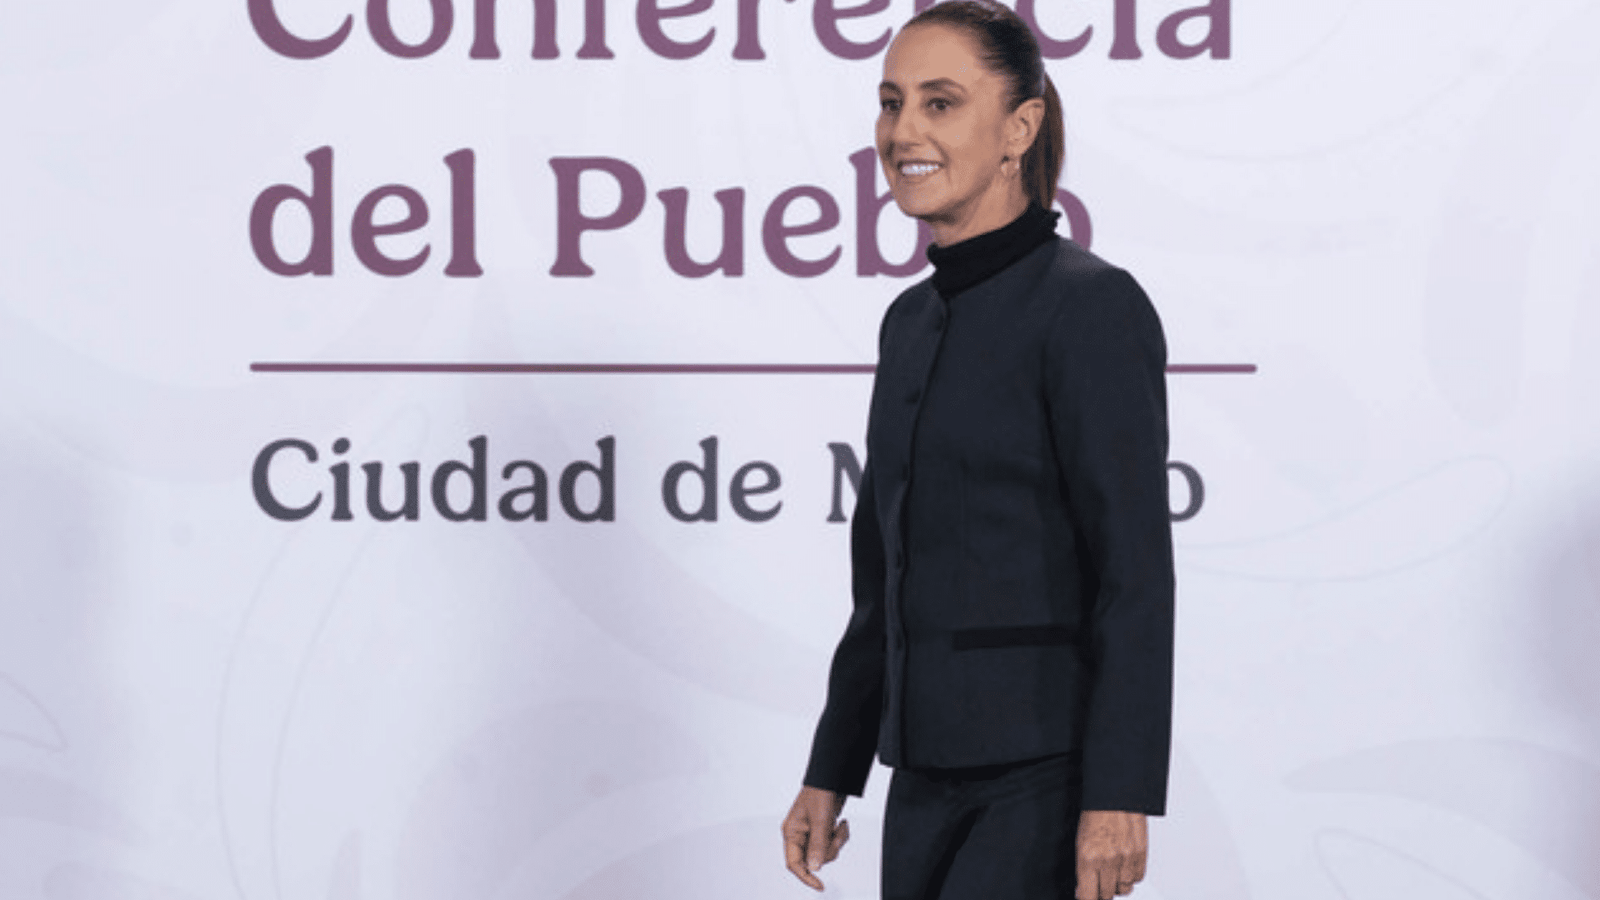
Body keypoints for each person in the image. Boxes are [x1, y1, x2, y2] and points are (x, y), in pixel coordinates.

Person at [779, 2, 1176, 898]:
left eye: (940, 102)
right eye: (891, 103)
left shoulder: (1090, 307)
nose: (903, 132)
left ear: (1019, 128)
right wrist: (832, 767)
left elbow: (1135, 574)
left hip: (1043, 782)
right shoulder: (909, 321)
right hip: (920, 781)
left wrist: (1119, 793)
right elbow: (883, 581)